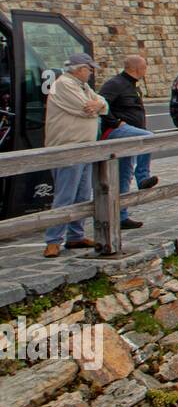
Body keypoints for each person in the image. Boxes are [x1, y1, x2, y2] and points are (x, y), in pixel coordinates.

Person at [43, 53, 108, 258]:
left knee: (82, 194)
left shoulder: (81, 86)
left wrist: (99, 105)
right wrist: (98, 106)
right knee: (65, 196)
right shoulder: (64, 84)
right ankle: (53, 240)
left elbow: (102, 104)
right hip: (68, 147)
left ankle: (75, 236)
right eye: (89, 69)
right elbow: (85, 109)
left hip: (84, 146)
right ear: (79, 69)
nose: (90, 73)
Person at [99, 54, 158, 230]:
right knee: (148, 137)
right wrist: (114, 122)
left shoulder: (132, 86)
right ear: (136, 68)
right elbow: (101, 103)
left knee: (124, 175)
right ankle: (143, 178)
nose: (146, 70)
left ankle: (121, 217)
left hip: (129, 136)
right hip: (116, 132)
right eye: (145, 67)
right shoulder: (115, 84)